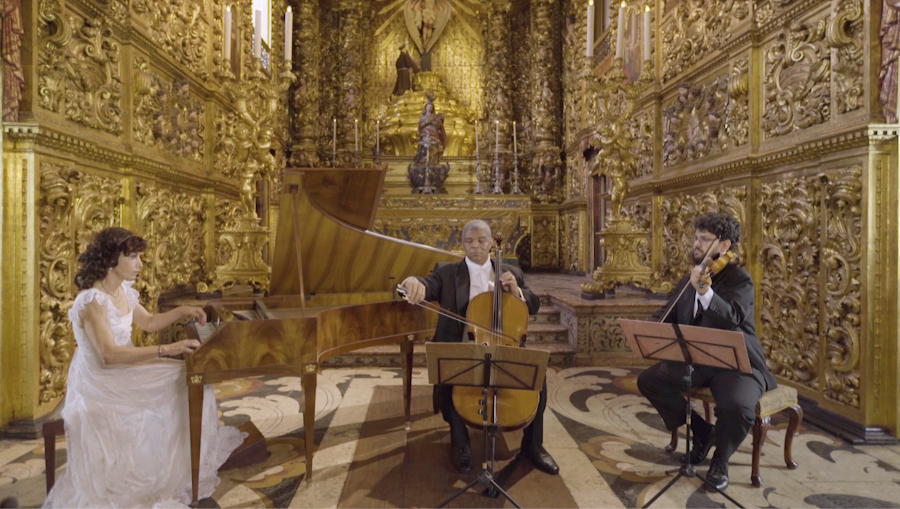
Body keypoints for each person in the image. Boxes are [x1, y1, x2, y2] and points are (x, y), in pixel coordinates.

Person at [43, 227, 244, 508]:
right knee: (178, 385)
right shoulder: (92, 301)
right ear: (112, 260)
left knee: (191, 378)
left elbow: (148, 322)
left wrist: (183, 310)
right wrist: (166, 350)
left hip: (123, 370)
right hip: (100, 382)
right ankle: (149, 476)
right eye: (133, 257)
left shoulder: (122, 290)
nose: (139, 264)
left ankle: (175, 470)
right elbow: (108, 355)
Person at [401, 220, 559, 476]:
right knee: (451, 373)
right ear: (462, 244)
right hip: (463, 346)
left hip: (503, 345)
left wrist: (516, 291)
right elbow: (427, 284)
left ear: (490, 243)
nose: (475, 246)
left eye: (481, 240)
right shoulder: (447, 272)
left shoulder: (511, 272)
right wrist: (412, 282)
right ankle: (461, 445)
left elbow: (534, 303)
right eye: (469, 241)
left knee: (537, 378)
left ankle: (533, 446)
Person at [637, 212, 777, 491]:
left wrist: (705, 292)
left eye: (704, 239)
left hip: (738, 363)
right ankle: (703, 432)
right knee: (650, 381)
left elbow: (732, 318)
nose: (696, 244)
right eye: (696, 237)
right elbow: (667, 314)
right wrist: (646, 330)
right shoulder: (690, 279)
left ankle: (720, 461)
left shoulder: (739, 280)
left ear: (724, 246)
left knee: (737, 406)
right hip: (699, 360)